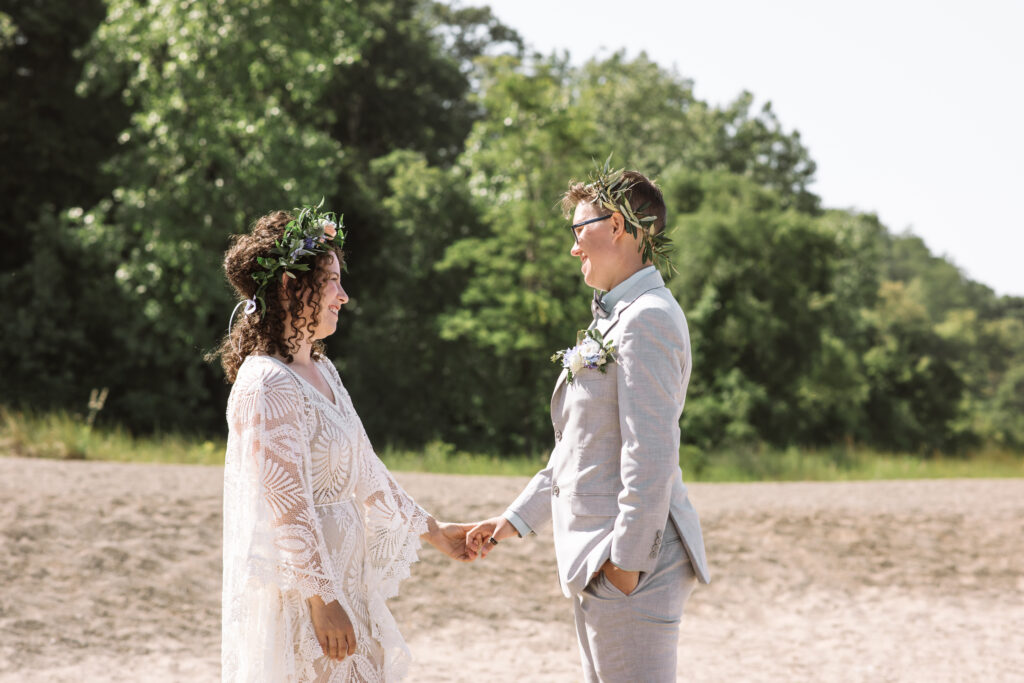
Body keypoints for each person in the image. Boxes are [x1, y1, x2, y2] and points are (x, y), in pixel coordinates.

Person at [467, 168, 711, 682]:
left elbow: (652, 455)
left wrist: (624, 566)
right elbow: (579, 446)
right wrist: (513, 520)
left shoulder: (648, 318)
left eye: (579, 230)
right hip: (600, 563)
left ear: (617, 225)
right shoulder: (615, 317)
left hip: (628, 565)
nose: (574, 247)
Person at [212, 207, 475, 682]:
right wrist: (322, 599)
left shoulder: (323, 369)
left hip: (346, 580)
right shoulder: (267, 383)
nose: (343, 296)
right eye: (331, 281)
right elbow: (284, 502)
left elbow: (366, 468)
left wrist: (432, 529)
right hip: (306, 595)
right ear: (292, 287)